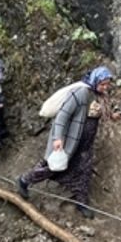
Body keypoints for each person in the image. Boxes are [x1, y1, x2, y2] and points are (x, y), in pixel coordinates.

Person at [16, 66, 115, 218]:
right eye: (103, 84)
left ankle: (81, 203)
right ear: (95, 81)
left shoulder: (99, 96)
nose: (105, 87)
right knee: (53, 168)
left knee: (84, 172)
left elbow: (101, 112)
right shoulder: (81, 93)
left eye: (107, 84)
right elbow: (63, 115)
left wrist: (113, 116)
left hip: (84, 145)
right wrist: (58, 138)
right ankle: (24, 180)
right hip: (69, 142)